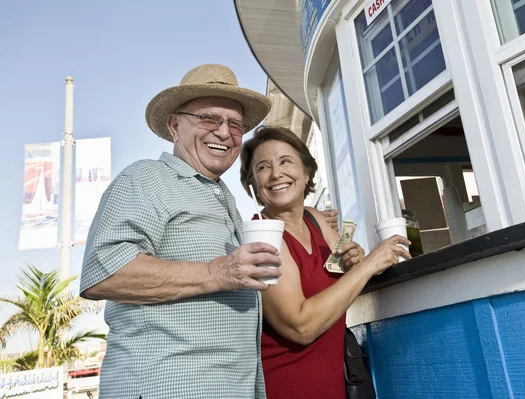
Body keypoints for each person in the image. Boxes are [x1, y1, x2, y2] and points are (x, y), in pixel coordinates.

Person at [79, 64, 334, 399]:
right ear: (175, 126)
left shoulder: (222, 198)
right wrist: (219, 272)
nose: (224, 132)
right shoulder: (146, 179)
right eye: (209, 119)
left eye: (234, 124)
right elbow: (102, 271)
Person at [239, 126, 411, 399]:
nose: (276, 174)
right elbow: (300, 326)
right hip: (286, 388)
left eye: (285, 161)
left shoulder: (315, 218)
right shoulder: (261, 236)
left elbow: (345, 269)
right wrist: (368, 266)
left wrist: (357, 260)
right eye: (263, 167)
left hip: (333, 385)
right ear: (254, 185)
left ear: (306, 173)